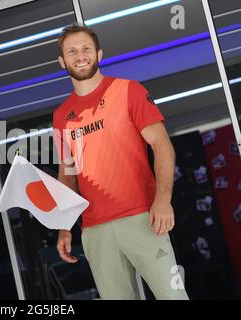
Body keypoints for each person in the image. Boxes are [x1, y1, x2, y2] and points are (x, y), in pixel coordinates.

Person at [53, 24, 189, 300]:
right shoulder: (61, 116)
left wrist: (163, 200)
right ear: (62, 61)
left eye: (86, 49)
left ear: (99, 54)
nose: (80, 56)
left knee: (173, 297)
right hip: (95, 230)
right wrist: (63, 226)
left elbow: (162, 146)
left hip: (144, 219)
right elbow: (68, 175)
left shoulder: (129, 91)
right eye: (72, 51)